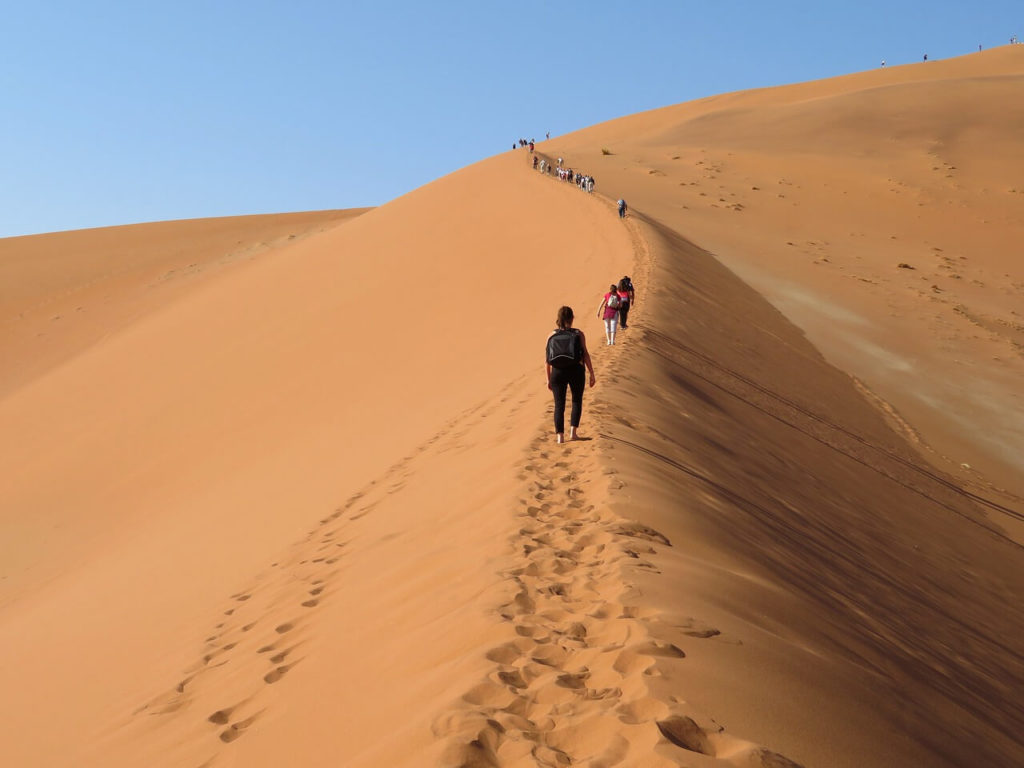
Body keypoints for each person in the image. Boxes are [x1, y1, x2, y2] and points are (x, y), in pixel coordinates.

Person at [545, 306, 596, 443]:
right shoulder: (579, 334)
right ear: (572, 318)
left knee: (559, 404)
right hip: (576, 370)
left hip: (557, 372)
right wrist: (591, 373)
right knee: (576, 400)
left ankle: (560, 436)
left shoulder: (551, 335)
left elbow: (547, 361)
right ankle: (573, 433)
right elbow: (585, 354)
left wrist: (548, 379)